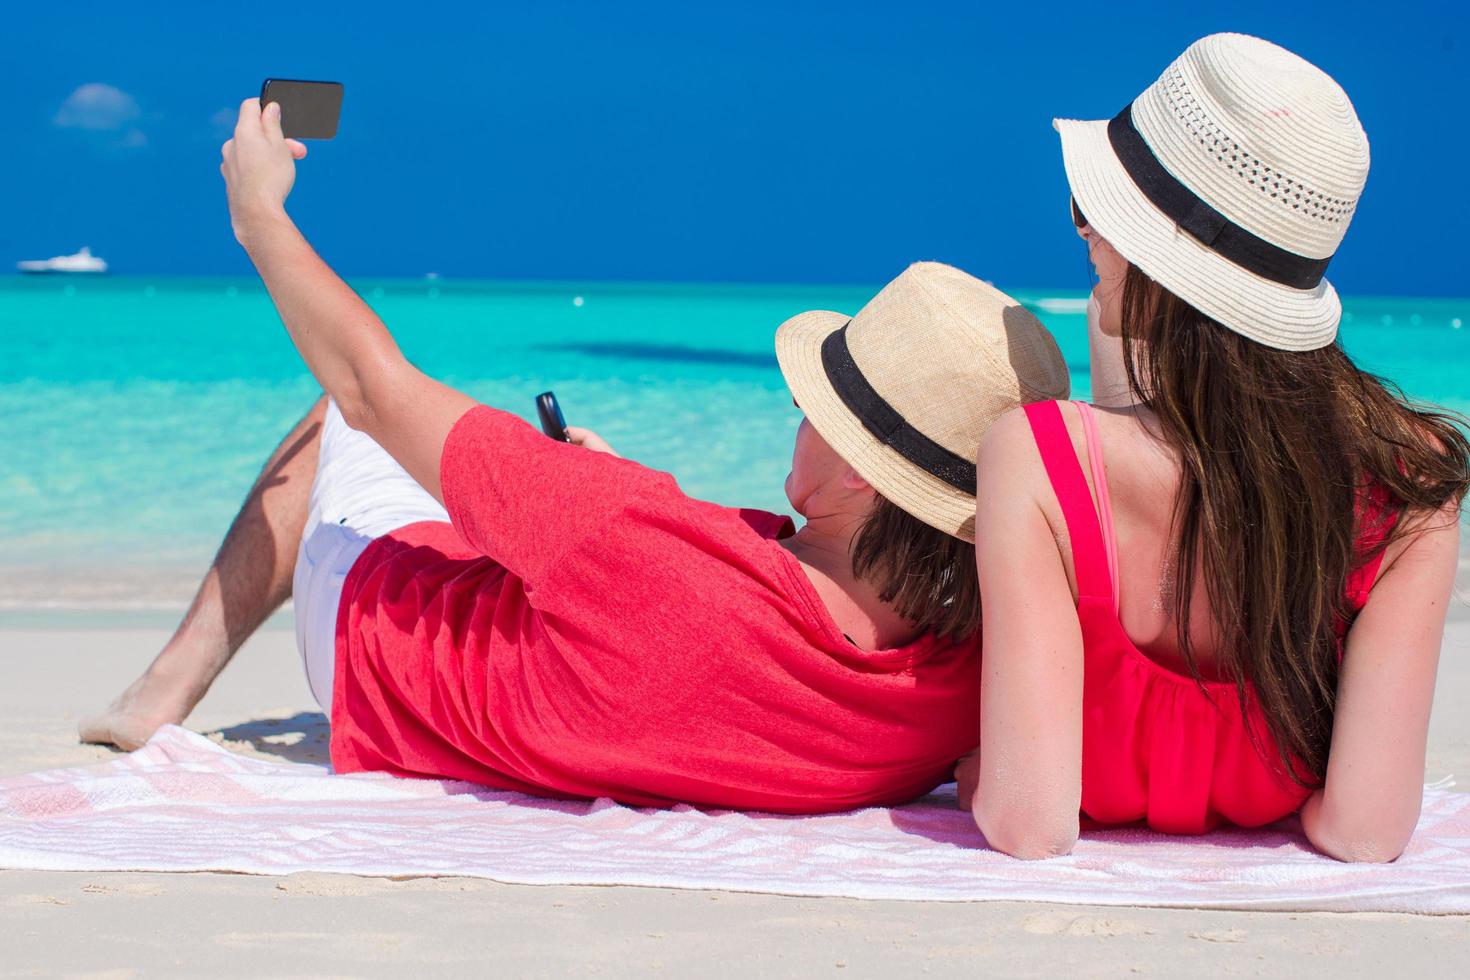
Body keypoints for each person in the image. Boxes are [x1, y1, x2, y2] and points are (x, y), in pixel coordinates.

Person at [80, 97, 1071, 813]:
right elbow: (722, 607)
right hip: (609, 650)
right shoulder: (960, 680)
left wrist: (259, 215)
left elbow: (367, 385)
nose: (795, 413)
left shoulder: (631, 539)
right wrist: (601, 492)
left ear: (860, 473)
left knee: (334, 418)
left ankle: (164, 687)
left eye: (816, 403)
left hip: (372, 647)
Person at [957, 33, 1469, 861]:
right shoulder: (1410, 490)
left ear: (1163, 261)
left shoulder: (1041, 460)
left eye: (1098, 211)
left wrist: (977, 773)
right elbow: (1365, 833)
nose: (1082, 231)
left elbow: (1029, 824)